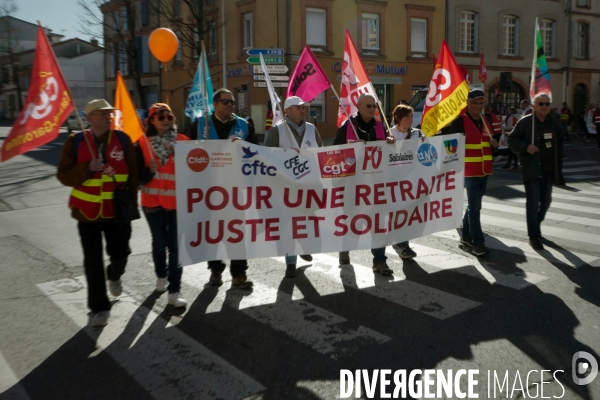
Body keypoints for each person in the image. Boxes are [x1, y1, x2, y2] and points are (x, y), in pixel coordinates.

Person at [57, 99, 138, 326]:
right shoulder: (76, 141)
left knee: (121, 252)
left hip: (117, 212)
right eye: (102, 114)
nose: (107, 117)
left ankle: (114, 274)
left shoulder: (122, 140)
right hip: (87, 212)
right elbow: (63, 175)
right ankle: (99, 308)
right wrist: (86, 168)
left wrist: (132, 205)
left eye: (109, 114)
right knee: (92, 261)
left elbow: (132, 175)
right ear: (90, 117)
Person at [189, 88, 257, 289]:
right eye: (225, 101)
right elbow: (187, 154)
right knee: (214, 231)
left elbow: (256, 153)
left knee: (237, 232)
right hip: (208, 189)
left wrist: (243, 146)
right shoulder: (200, 125)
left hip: (236, 189)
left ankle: (239, 273)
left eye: (232, 102)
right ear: (215, 103)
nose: (230, 105)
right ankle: (215, 271)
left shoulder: (244, 126)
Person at [333, 93, 394, 275]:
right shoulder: (347, 126)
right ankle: (345, 248)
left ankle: (379, 260)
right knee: (351, 220)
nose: (372, 109)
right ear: (358, 107)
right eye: (368, 106)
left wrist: (391, 142)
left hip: (376, 185)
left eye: (374, 106)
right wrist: (351, 149)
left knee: (378, 222)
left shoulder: (380, 126)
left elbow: (389, 154)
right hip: (352, 185)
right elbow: (335, 152)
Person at [136, 103, 188, 308]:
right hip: (152, 204)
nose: (166, 119)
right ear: (151, 120)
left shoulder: (183, 142)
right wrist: (148, 171)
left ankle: (175, 291)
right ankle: (161, 275)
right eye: (160, 116)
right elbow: (135, 177)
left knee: (175, 247)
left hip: (176, 204)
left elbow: (201, 163)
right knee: (159, 243)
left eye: (169, 115)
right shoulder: (141, 143)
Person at [264, 96, 323, 277]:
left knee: (307, 223)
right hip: (285, 188)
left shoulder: (312, 129)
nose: (302, 110)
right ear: (287, 111)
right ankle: (291, 262)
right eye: (297, 107)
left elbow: (321, 152)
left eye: (303, 107)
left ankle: (305, 246)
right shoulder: (277, 131)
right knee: (288, 226)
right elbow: (266, 157)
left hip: (309, 186)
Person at [508, 93, 565, 251]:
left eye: (547, 103)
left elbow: (561, 139)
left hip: (548, 169)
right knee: (533, 204)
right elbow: (511, 141)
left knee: (546, 202)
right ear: (533, 106)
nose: (545, 106)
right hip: (531, 169)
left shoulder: (553, 121)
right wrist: (526, 146)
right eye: (541, 103)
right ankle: (534, 236)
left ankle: (535, 224)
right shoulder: (526, 122)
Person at [448, 89, 498, 256]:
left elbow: (491, 146)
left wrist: (494, 144)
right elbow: (448, 145)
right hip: (469, 172)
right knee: (476, 207)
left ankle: (466, 235)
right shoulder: (460, 121)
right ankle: (478, 243)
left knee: (473, 206)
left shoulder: (485, 120)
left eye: (480, 103)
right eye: (474, 102)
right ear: (467, 103)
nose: (478, 106)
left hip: (484, 170)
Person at [387, 104, 426, 259]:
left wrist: (425, 140)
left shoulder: (417, 134)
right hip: (395, 180)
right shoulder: (390, 134)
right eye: (407, 116)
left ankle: (401, 242)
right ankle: (403, 245)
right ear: (398, 118)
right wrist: (386, 143)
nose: (411, 119)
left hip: (412, 180)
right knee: (399, 211)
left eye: (411, 116)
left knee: (408, 212)